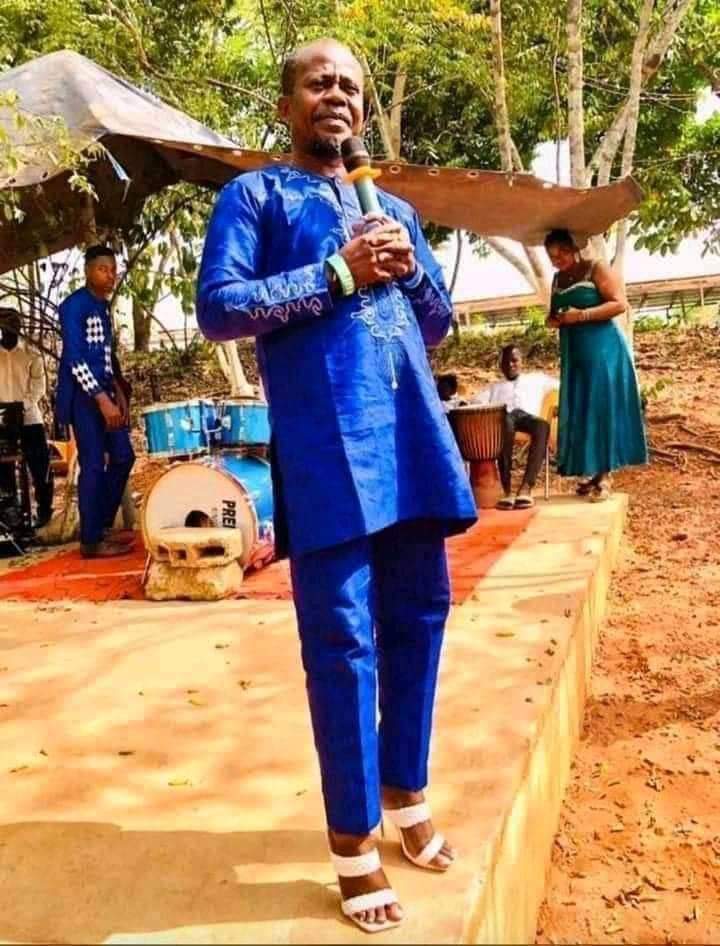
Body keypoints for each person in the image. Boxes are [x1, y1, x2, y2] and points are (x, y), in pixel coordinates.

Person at [197, 38, 477, 933]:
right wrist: (336, 273)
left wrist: (408, 264)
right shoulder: (255, 197)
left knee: (421, 617)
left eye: (351, 86)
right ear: (287, 104)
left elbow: (437, 325)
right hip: (328, 450)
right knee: (344, 642)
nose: (338, 96)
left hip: (410, 443)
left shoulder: (391, 207)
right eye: (319, 83)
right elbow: (219, 308)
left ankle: (406, 793)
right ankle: (353, 841)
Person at [544, 229, 647, 500]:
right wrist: (554, 319)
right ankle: (592, 472)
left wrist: (581, 316)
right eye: (552, 257)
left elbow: (619, 304)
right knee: (583, 409)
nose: (557, 260)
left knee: (602, 408)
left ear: (573, 248)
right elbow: (553, 313)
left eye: (561, 254)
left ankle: (605, 477)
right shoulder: (557, 279)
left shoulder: (596, 268)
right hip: (575, 354)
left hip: (604, 351)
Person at [56, 246, 135, 558]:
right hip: (84, 398)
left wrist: (118, 393)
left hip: (105, 393)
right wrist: (102, 400)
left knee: (123, 456)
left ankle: (99, 525)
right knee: (92, 464)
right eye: (103, 269)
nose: (110, 275)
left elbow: (105, 356)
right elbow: (74, 359)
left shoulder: (102, 306)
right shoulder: (73, 306)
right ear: (88, 271)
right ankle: (91, 541)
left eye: (113, 270)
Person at [471, 345, 558, 509]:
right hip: (505, 419)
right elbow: (475, 402)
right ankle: (507, 490)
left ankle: (526, 488)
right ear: (500, 366)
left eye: (514, 360)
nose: (510, 365)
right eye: (506, 362)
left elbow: (560, 386)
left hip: (528, 418)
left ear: (521, 362)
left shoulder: (537, 379)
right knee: (505, 424)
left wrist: (559, 403)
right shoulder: (494, 387)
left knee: (542, 426)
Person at [0, 308, 54, 527]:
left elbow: (39, 386)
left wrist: (21, 406)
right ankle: (10, 511)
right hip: (2, 421)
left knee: (40, 465)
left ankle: (44, 511)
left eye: (12, 326)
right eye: (4, 327)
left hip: (30, 417)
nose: (8, 331)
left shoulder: (32, 354)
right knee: (4, 467)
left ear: (18, 327)